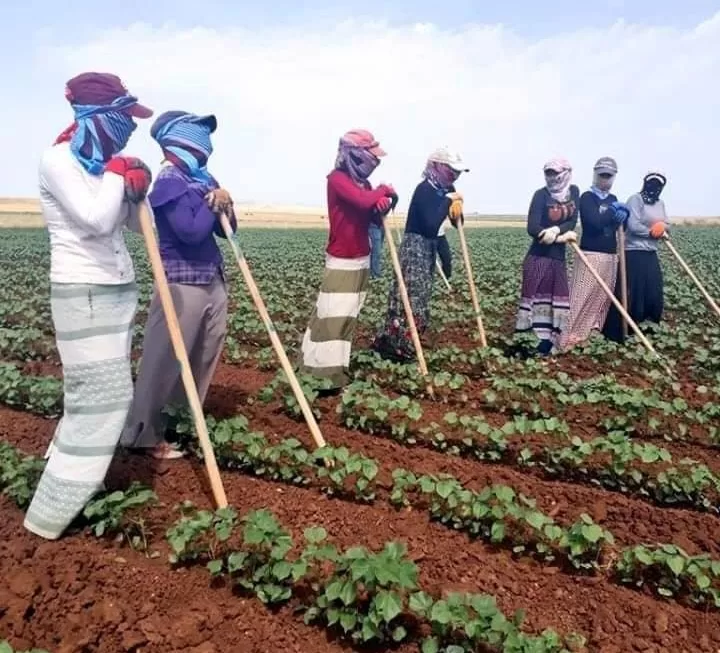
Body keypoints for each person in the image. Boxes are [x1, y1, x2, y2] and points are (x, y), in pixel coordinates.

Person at [24, 72, 153, 540]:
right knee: (104, 399)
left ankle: (76, 478)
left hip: (117, 288)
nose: (130, 127)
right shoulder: (58, 160)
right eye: (125, 117)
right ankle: (51, 512)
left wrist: (139, 189)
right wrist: (119, 175)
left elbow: (134, 227)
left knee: (92, 396)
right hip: (84, 290)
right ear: (99, 116)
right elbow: (95, 220)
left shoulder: (102, 164)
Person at [120, 111, 237, 459]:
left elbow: (226, 230)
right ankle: (143, 434)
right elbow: (190, 232)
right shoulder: (168, 181)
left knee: (204, 353)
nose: (207, 145)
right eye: (200, 135)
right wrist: (212, 203)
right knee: (165, 359)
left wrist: (226, 203)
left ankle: (180, 424)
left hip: (212, 278)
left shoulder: (204, 178)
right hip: (181, 284)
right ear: (180, 139)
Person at [298, 129, 396, 388]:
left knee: (346, 316)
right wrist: (383, 190)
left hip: (361, 257)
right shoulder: (337, 179)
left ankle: (332, 369)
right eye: (371, 156)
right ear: (355, 155)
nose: (374, 162)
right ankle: (321, 375)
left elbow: (369, 214)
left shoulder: (364, 185)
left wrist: (383, 205)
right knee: (332, 315)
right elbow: (362, 202)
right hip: (342, 258)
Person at [373, 147, 468, 362]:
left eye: (458, 172)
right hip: (415, 248)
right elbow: (430, 225)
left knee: (421, 298)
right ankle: (395, 345)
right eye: (451, 170)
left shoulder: (446, 189)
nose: (455, 175)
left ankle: (407, 341)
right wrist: (448, 201)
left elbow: (454, 223)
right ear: (436, 166)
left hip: (429, 247)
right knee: (409, 297)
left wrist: (456, 211)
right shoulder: (424, 189)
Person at [558, 157, 629, 351]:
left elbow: (615, 228)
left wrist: (624, 218)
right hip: (590, 254)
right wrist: (612, 212)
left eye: (609, 176)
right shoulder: (587, 197)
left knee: (601, 298)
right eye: (602, 175)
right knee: (580, 297)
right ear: (596, 175)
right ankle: (565, 338)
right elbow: (594, 223)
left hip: (610, 256)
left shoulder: (613, 199)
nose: (605, 179)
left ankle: (588, 336)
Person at [515, 158, 579, 355]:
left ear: (566, 173)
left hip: (557, 260)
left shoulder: (573, 192)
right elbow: (532, 228)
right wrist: (557, 238)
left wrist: (557, 229)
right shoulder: (541, 195)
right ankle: (526, 348)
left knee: (556, 302)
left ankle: (548, 347)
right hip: (538, 258)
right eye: (548, 173)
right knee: (533, 302)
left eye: (555, 173)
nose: (552, 177)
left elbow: (572, 221)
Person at [603, 171, 670, 342]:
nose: (654, 187)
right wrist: (651, 232)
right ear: (645, 183)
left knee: (653, 290)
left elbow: (666, 223)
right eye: (651, 183)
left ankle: (649, 327)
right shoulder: (636, 199)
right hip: (633, 251)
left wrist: (663, 228)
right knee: (633, 291)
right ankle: (624, 331)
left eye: (658, 184)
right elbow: (633, 225)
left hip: (650, 252)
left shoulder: (660, 203)